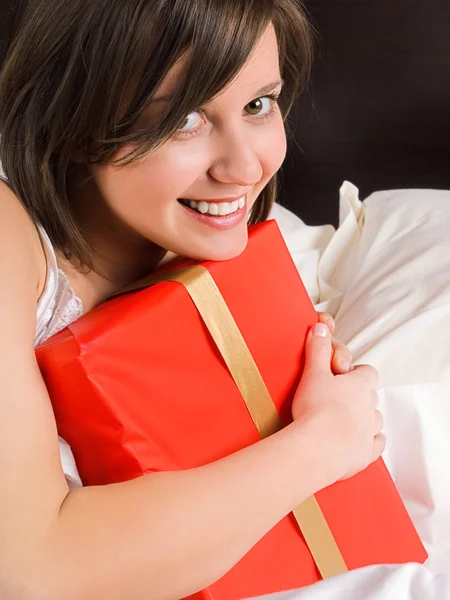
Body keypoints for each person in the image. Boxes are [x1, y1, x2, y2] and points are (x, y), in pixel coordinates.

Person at [0, 0, 384, 598]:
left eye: (259, 105)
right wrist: (324, 441)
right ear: (72, 121)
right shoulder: (8, 238)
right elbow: (31, 572)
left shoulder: (226, 248)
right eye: (183, 120)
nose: (242, 167)